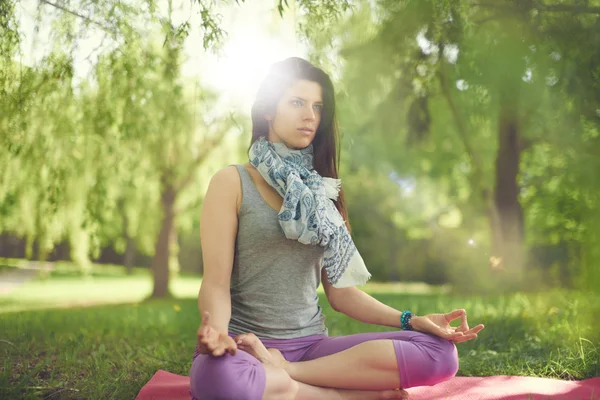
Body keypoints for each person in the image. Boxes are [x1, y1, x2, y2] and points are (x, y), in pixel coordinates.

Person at [190, 57, 485, 400]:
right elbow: (216, 283)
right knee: (221, 382)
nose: (310, 115)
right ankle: (347, 397)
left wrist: (411, 320)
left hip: (312, 351)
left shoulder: (325, 192)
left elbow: (341, 294)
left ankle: (288, 377)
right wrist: (220, 335)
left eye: (317, 106)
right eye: (297, 103)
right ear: (268, 110)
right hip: (244, 347)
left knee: (440, 354)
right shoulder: (232, 182)